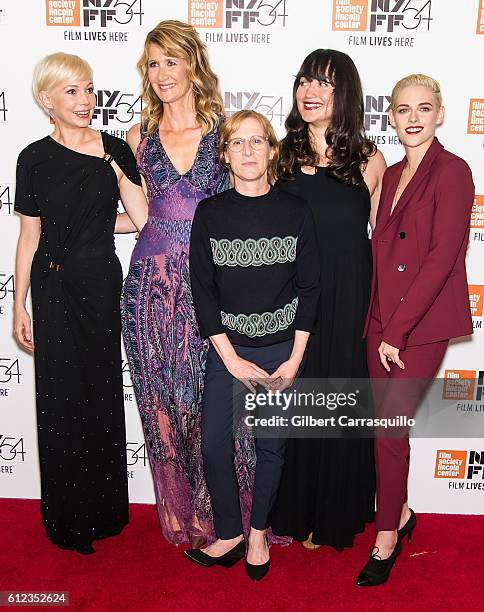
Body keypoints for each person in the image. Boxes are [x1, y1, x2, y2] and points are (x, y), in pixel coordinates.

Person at [121, 20, 253, 547]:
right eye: (153, 63)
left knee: (214, 405)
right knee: (163, 406)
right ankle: (183, 514)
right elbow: (138, 214)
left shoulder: (224, 131)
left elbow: (251, 200)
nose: (161, 74)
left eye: (171, 60)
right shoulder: (138, 137)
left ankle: (231, 516)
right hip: (150, 285)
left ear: (193, 64)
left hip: (211, 284)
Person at [13, 52, 147, 554]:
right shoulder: (33, 158)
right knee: (60, 400)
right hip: (52, 288)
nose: (86, 100)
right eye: (72, 91)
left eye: (89, 89)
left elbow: (141, 218)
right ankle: (68, 517)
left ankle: (106, 510)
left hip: (99, 286)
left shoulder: (114, 149)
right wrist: (18, 304)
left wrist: (114, 166)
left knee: (101, 393)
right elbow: (30, 234)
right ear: (47, 99)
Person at [185, 109, 320, 580]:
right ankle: (229, 530)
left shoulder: (295, 211)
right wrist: (232, 359)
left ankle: (258, 530)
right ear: (224, 154)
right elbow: (202, 290)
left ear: (271, 150)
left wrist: (294, 360)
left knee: (271, 448)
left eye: (256, 141)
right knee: (215, 446)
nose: (247, 151)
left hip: (282, 351)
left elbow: (310, 289)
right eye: (237, 143)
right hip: (228, 353)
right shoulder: (210, 213)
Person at [356, 74, 474, 585]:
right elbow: (381, 252)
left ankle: (386, 537)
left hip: (419, 324)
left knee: (389, 425)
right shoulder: (392, 172)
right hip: (380, 317)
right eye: (402, 109)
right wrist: (375, 321)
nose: (413, 118)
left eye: (424, 108)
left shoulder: (453, 171)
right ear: (392, 116)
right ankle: (399, 513)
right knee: (383, 428)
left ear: (441, 113)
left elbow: (441, 258)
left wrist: (397, 330)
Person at [270, 49, 386, 550]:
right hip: (293, 297)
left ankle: (334, 510)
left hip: (350, 297)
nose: (310, 92)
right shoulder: (280, 156)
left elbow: (382, 240)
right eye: (304, 81)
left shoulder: (369, 160)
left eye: (324, 83)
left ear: (346, 95)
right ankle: (295, 510)